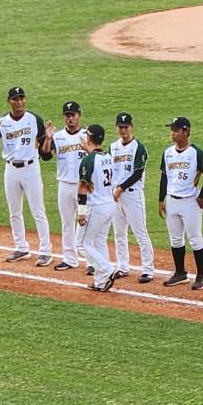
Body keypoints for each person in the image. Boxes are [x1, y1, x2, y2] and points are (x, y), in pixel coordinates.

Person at [0, 87, 54, 265]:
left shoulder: (34, 120)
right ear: (9, 101)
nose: (19, 102)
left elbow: (46, 155)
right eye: (15, 99)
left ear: (25, 99)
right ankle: (21, 248)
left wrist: (47, 139)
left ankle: (46, 251)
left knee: (38, 211)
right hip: (11, 169)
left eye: (21, 98)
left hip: (31, 168)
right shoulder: (3, 122)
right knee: (14, 211)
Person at [157, 115, 203, 288]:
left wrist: (201, 196)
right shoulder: (168, 153)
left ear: (186, 132)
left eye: (176, 130)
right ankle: (180, 273)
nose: (172, 133)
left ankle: (201, 276)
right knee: (176, 239)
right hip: (172, 200)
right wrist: (160, 199)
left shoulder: (196, 153)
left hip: (190, 202)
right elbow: (164, 177)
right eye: (172, 130)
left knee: (195, 239)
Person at [108, 111, 155, 283]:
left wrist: (120, 188)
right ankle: (122, 266)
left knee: (140, 232)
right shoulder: (113, 147)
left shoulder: (138, 148)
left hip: (132, 195)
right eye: (120, 127)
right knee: (119, 233)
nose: (123, 130)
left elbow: (137, 173)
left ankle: (148, 270)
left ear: (131, 127)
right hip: (115, 195)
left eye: (126, 127)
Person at [74, 125, 119, 292]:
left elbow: (83, 188)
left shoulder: (88, 160)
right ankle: (101, 282)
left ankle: (107, 269)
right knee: (99, 242)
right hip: (110, 204)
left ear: (89, 138)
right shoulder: (108, 156)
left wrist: (81, 212)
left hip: (96, 207)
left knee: (81, 244)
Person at [50, 101, 91, 271]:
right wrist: (47, 138)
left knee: (86, 223)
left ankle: (91, 261)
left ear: (79, 115)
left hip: (84, 185)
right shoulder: (57, 136)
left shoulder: (88, 134)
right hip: (65, 184)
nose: (70, 119)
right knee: (66, 223)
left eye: (73, 115)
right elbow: (45, 155)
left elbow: (98, 154)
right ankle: (69, 258)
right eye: (67, 116)